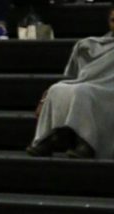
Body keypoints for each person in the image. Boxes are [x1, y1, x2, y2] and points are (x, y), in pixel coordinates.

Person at [27, 5, 114, 159]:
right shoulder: (93, 44)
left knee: (83, 92)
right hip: (89, 84)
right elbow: (72, 76)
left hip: (108, 90)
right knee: (56, 89)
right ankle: (48, 139)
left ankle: (87, 144)